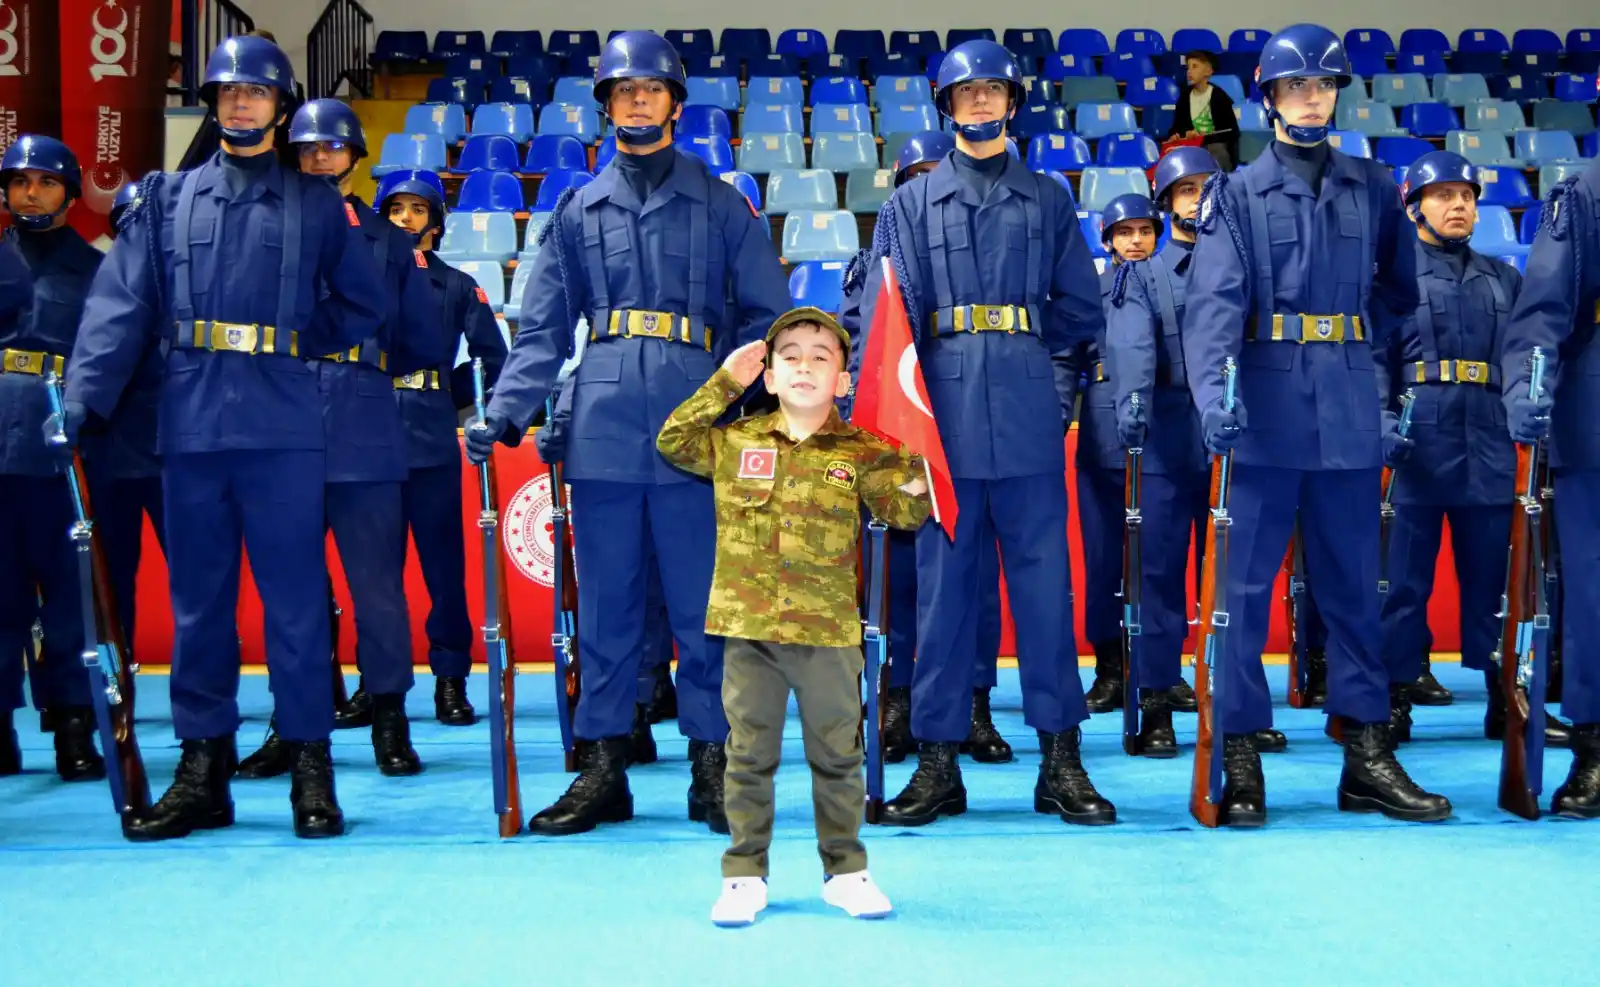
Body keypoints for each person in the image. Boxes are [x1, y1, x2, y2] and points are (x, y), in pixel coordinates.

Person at [463, 30, 792, 837]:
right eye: (623, 90)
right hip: (604, 423)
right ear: (605, 107)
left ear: (677, 104)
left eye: (651, 89)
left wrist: (737, 393)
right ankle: (603, 763)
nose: (637, 101)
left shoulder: (721, 206)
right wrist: (504, 412)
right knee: (606, 609)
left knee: (702, 607)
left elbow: (771, 318)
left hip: (696, 425)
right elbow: (540, 332)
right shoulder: (577, 210)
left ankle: (712, 765)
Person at [63, 36, 387, 841]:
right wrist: (76, 406)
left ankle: (310, 763)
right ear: (212, 104)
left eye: (256, 92)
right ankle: (202, 768)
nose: (240, 104)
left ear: (280, 106)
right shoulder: (165, 201)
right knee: (199, 606)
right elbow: (118, 310)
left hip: (283, 425)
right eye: (228, 92)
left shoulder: (319, 203)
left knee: (296, 604)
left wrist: (294, 344)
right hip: (193, 424)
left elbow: (363, 302)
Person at [1184, 23, 1450, 827]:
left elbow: (1400, 297)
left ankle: (1367, 751)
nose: (1311, 98)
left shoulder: (1372, 186)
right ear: (1267, 98)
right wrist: (1214, 397)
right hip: (1261, 415)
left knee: (1353, 591)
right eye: (1295, 86)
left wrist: (1374, 382)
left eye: (1323, 85)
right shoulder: (1234, 191)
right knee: (1239, 591)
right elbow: (1213, 307)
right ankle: (1235, 743)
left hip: (1343, 412)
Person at [860, 40, 1115, 828]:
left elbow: (1080, 316)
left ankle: (1060, 761)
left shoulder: (1047, 198)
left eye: (993, 89)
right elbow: (887, 323)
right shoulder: (908, 204)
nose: (979, 101)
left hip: (1030, 417)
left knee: (1046, 592)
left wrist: (1058, 396)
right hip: (941, 426)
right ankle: (938, 764)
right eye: (965, 92)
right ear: (946, 105)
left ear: (1013, 101)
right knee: (942, 599)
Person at [656, 307, 929, 927]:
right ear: (770, 377)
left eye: (822, 356)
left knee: (838, 755)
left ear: (844, 380)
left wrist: (917, 481)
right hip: (749, 631)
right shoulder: (736, 440)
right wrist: (727, 380)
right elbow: (672, 440)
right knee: (749, 757)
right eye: (790, 356)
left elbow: (907, 515)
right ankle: (744, 875)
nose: (805, 366)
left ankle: (846, 871)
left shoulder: (864, 449)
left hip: (828, 632)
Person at [235, 99, 443, 779]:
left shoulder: (389, 241)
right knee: (288, 589)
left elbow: (421, 341)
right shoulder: (265, 228)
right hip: (280, 417)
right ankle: (293, 723)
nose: (319, 159)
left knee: (376, 587)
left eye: (332, 148)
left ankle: (389, 714)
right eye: (306, 149)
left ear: (355, 156)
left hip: (362, 422)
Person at [1382, 151, 1571, 749]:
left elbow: (1525, 354)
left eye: (1466, 195)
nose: (1459, 205)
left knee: (1499, 581)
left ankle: (1505, 699)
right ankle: (1391, 701)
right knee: (1402, 583)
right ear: (1414, 207)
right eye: (1443, 195)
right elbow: (1371, 358)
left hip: (1490, 441)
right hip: (1416, 443)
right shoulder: (1390, 277)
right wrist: (1380, 419)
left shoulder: (1502, 277)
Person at [841, 130, 1009, 766]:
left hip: (964, 434)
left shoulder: (979, 258)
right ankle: (899, 698)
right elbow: (861, 344)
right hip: (897, 438)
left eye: (935, 174)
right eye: (913, 176)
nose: (925, 187)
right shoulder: (873, 265)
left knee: (972, 580)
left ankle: (974, 703)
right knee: (898, 577)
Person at [379, 168, 506, 729]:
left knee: (442, 570)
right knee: (374, 574)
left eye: (416, 209)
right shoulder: (360, 279)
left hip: (429, 438)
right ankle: (378, 684)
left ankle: (450, 680)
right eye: (395, 209)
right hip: (366, 435)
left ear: (435, 221)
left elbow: (491, 360)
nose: (405, 219)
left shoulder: (456, 285)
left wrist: (439, 391)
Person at [0, 135, 106, 782]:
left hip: (61, 447)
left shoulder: (96, 272)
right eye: (18, 181)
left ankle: (72, 723)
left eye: (43, 181)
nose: (29, 192)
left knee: (69, 598)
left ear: (69, 190)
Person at [1498, 155, 1600, 818]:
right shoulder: (1586, 191)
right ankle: (1595, 745)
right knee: (1595, 594)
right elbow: (1544, 309)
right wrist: (1526, 388)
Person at [83, 179, 170, 686]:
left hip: (172, 453)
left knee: (197, 581)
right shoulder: (99, 282)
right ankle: (118, 684)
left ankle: (205, 688)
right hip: (109, 450)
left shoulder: (187, 287)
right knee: (109, 582)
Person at [1168, 51, 1239, 171]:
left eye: (1195, 67)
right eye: (1187, 68)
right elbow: (1177, 127)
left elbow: (1231, 132)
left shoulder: (1219, 97)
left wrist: (1202, 137)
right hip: (1191, 144)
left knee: (1216, 150)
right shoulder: (1184, 97)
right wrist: (1179, 135)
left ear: (1208, 71)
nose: (1189, 72)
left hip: (1213, 144)